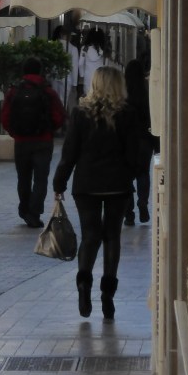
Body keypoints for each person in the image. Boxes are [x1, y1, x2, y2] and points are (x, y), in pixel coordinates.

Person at [52, 66, 138, 320]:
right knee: (112, 237)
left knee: (90, 236)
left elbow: (69, 153)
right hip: (117, 184)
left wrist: (59, 184)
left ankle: (83, 285)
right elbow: (134, 153)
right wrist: (129, 175)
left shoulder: (80, 113)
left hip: (86, 184)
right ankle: (108, 296)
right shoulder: (127, 114)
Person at [1, 56, 65, 228]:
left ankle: (24, 209)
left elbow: (5, 116)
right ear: (40, 71)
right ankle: (34, 212)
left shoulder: (14, 91)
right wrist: (50, 129)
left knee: (23, 177)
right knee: (41, 179)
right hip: (43, 141)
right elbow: (59, 114)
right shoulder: (48, 91)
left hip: (21, 141)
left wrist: (14, 132)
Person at [123, 58, 157, 226]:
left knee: (126, 176)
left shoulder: (122, 92)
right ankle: (143, 201)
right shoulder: (148, 91)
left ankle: (128, 214)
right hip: (145, 138)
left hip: (126, 140)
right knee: (143, 173)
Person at [52, 25, 79, 115]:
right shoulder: (73, 49)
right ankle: (62, 120)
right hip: (67, 78)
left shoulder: (53, 46)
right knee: (63, 102)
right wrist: (75, 84)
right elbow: (74, 67)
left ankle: (55, 118)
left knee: (54, 100)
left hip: (54, 76)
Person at [78, 28, 110, 97]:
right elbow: (106, 65)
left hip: (87, 78)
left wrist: (82, 75)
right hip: (100, 78)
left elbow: (80, 63)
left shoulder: (84, 48)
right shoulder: (104, 49)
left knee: (88, 98)